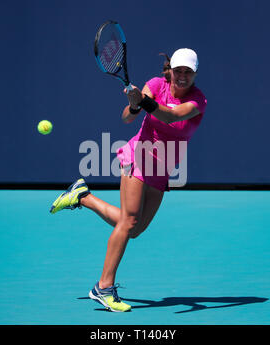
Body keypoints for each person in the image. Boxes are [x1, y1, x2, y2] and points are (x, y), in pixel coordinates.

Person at [50, 48, 207, 312]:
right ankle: (103, 287)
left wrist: (144, 103)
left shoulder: (198, 101)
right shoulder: (156, 85)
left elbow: (172, 116)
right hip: (139, 154)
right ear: (171, 71)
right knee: (129, 221)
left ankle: (82, 196)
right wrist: (135, 104)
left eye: (187, 72)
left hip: (163, 166)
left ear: (195, 74)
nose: (182, 76)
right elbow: (127, 117)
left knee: (134, 229)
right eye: (178, 71)